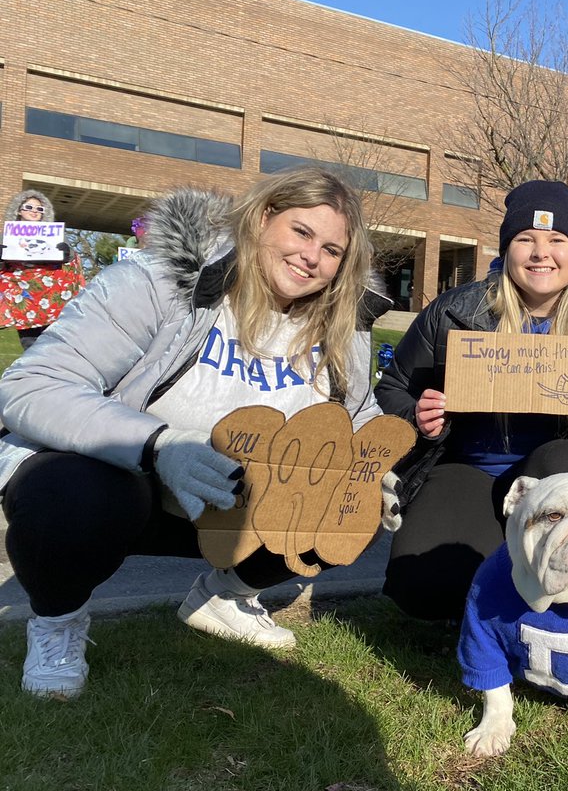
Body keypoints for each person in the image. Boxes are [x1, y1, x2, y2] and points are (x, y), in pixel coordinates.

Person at [0, 167, 394, 698]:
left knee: (353, 506)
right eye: (301, 232)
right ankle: (57, 621)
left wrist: (374, 467)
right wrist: (158, 444)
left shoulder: (343, 323)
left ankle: (224, 597)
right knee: (68, 496)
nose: (312, 257)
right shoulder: (160, 281)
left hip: (237, 507)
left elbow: (354, 413)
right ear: (261, 218)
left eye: (332, 249)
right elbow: (30, 385)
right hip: (126, 485)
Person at [375, 180, 568, 622]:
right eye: (525, 240)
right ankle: (494, 590)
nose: (541, 253)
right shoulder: (454, 312)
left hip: (560, 467)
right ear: (506, 248)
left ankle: (566, 605)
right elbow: (392, 386)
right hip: (469, 466)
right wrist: (419, 416)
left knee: (560, 456)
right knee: (424, 582)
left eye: (557, 240)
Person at [1, 189, 86, 349]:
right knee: (30, 342)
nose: (34, 211)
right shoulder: (6, 235)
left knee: (53, 340)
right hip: (24, 297)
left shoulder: (54, 233)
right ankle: (33, 370)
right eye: (29, 207)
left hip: (51, 296)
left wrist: (66, 252)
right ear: (19, 210)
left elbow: (71, 258)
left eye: (39, 209)